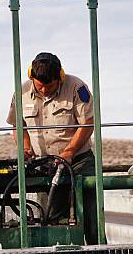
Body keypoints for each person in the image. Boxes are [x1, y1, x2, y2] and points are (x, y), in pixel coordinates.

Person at [6, 52, 97, 244]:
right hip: (45, 167)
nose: (45, 90)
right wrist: (25, 146)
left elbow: (88, 123)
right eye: (40, 86)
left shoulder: (76, 88)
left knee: (90, 220)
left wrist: (69, 152)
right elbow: (17, 124)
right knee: (51, 218)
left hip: (79, 163)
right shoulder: (20, 93)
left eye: (50, 86)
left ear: (60, 78)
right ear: (32, 77)